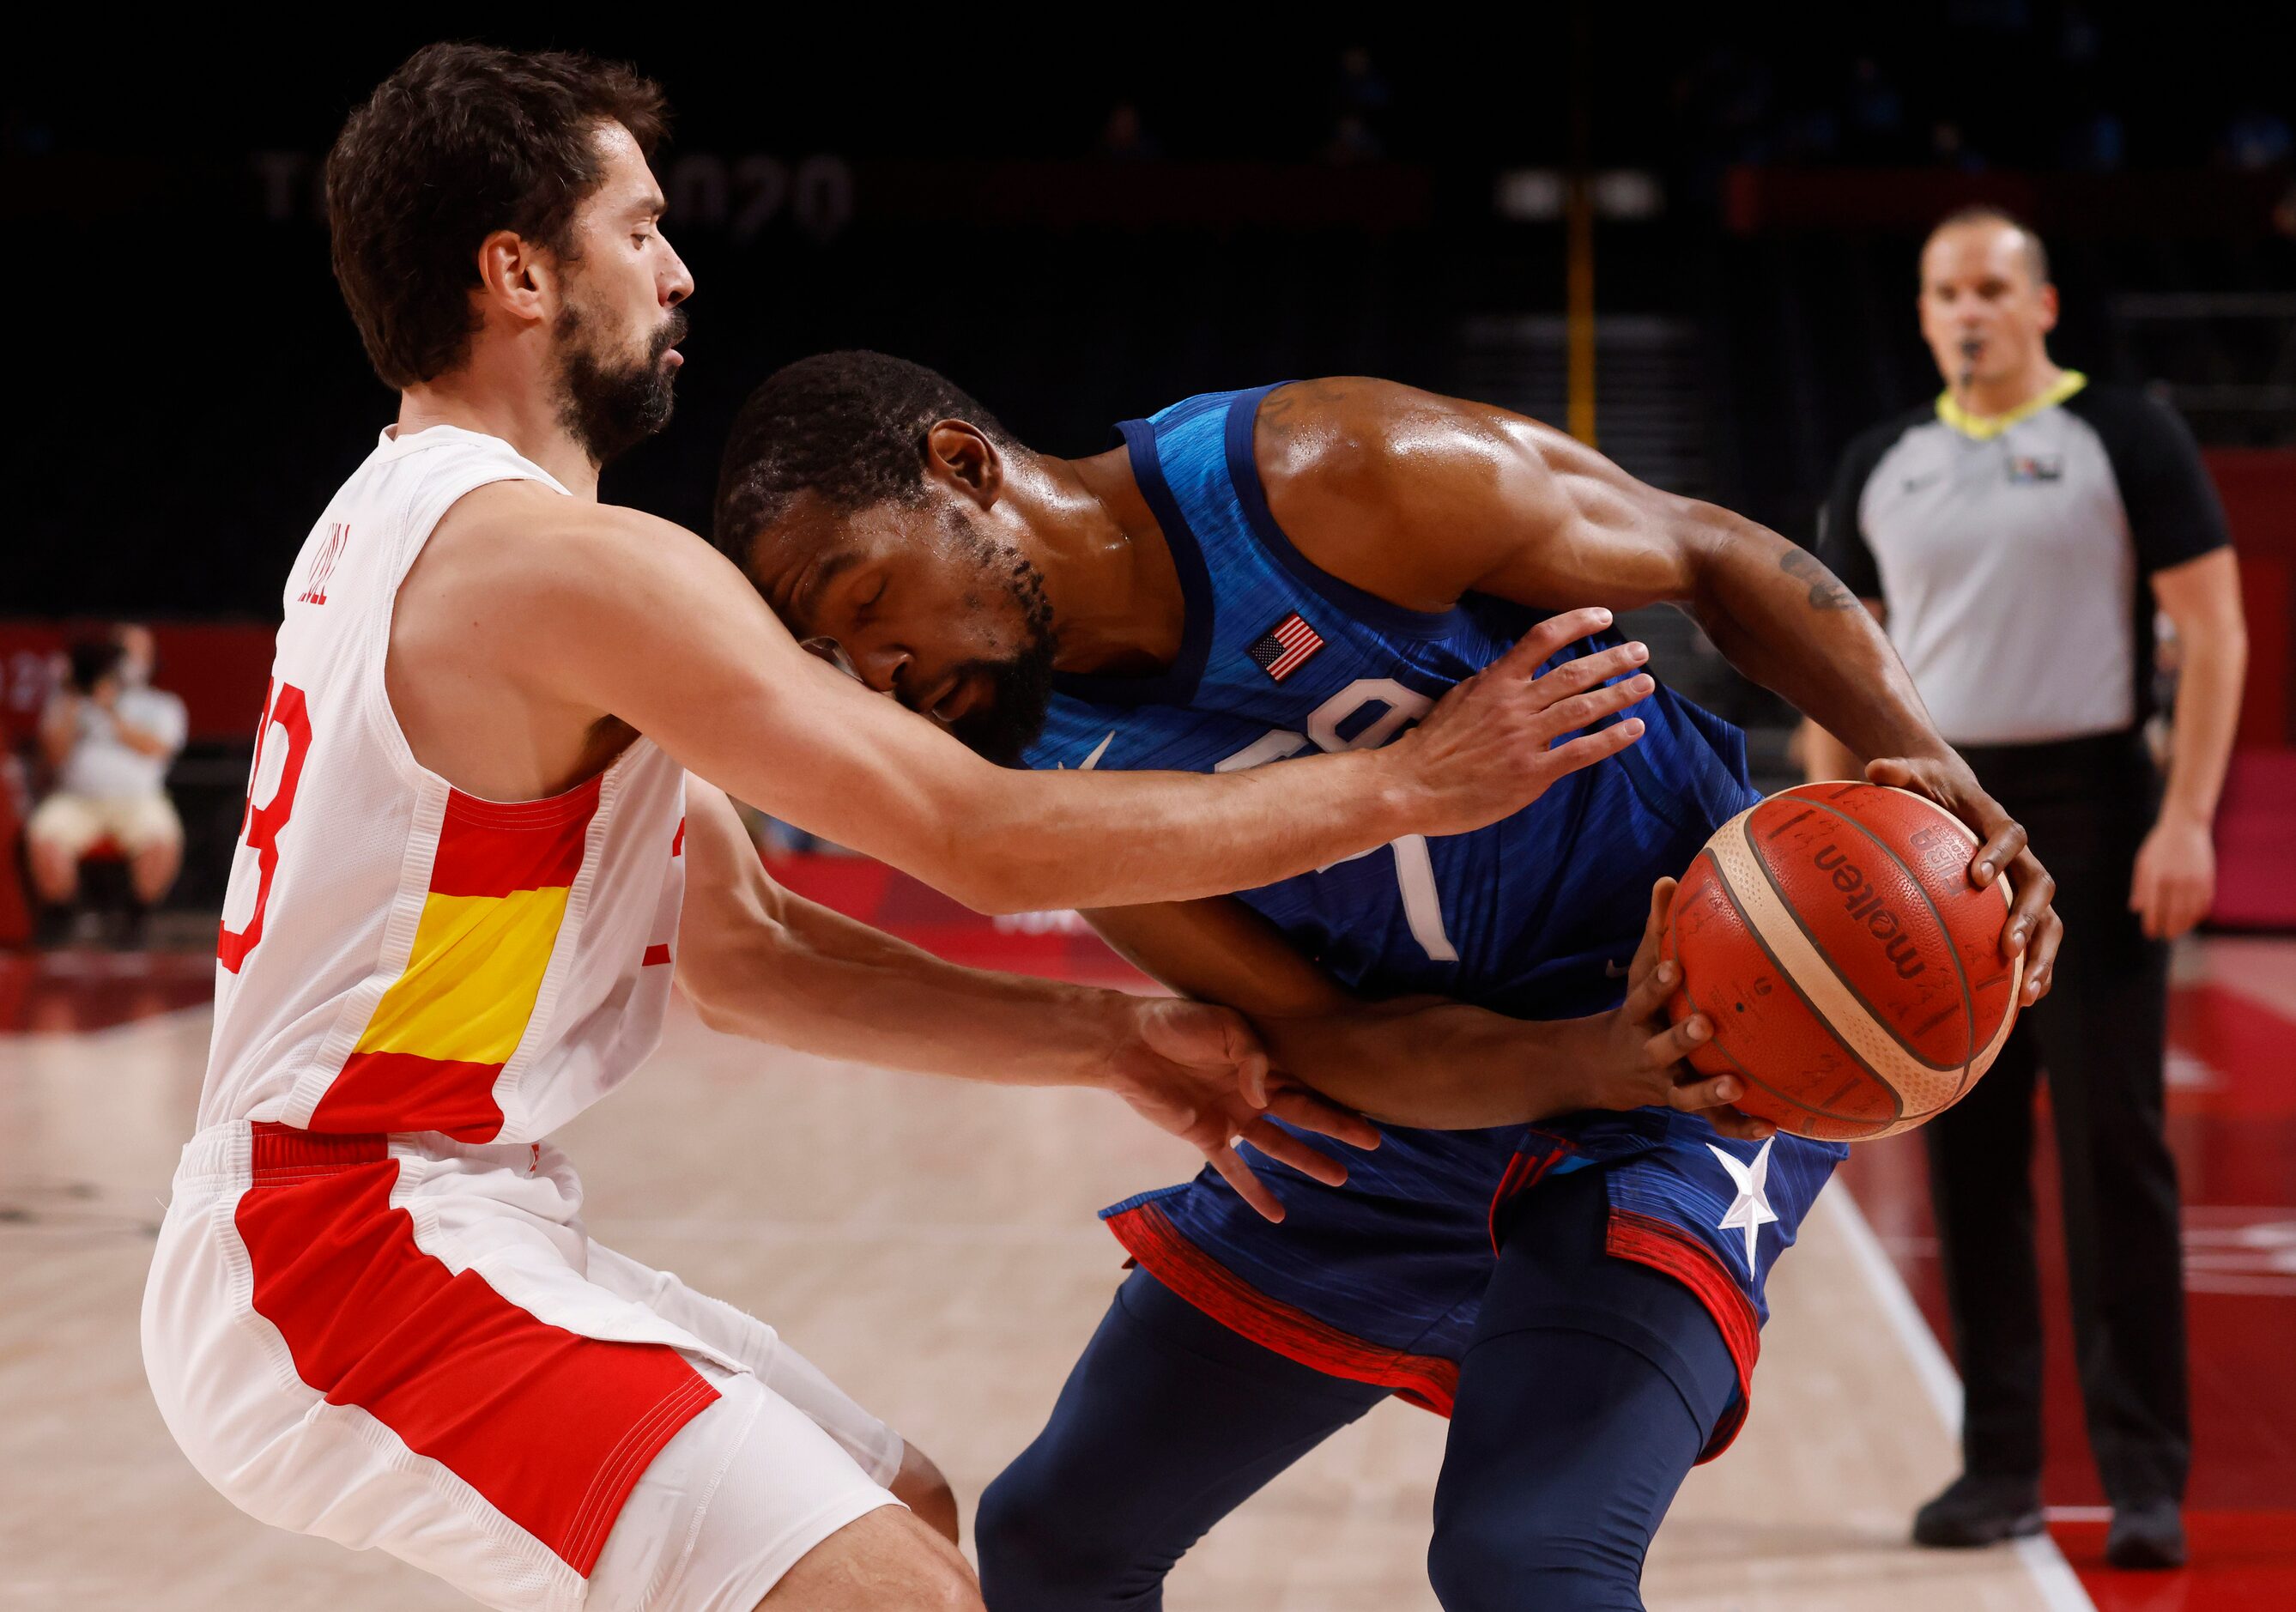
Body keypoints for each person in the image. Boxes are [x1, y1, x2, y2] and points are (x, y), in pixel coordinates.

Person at [139, 45, 1642, 1612]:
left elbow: (745, 948)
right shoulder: (559, 566)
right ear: (517, 272)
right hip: (343, 1241)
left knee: (899, 1506)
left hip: (426, 1211)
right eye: (637, 229)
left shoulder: (425, 524)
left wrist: (1108, 1036)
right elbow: (982, 836)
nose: (677, 271)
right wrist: (1410, 782)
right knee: (886, 1592)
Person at [712, 352, 2064, 1610]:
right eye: (836, 656)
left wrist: (1919, 757)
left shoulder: (1326, 480)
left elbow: (1710, 553)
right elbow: (1315, 1029)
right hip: (1446, 1076)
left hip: (1701, 1027)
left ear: (963, 466)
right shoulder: (1019, 774)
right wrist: (1576, 1060)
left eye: (867, 598)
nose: (876, 672)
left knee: (1525, 1558)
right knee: (1054, 1542)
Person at [1808, 206, 2244, 1571]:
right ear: (1926, 309)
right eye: (1945, 290)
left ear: (2041, 302)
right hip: (1929, 829)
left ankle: (2141, 1478)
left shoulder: (2124, 436)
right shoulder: (1880, 462)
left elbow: (2214, 630)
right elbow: (1837, 665)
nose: (1966, 309)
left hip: (2095, 817)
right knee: (1968, 1158)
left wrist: (2184, 818)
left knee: (2116, 1156)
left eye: (1990, 286)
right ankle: (1994, 1464)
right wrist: (1833, 842)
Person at [26, 625, 188, 939]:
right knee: (44, 838)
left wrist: (110, 709)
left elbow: (156, 749)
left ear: (151, 660)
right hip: (77, 800)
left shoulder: (161, 704)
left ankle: (134, 920)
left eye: (137, 653)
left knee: (162, 841)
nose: (127, 661)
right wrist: (76, 697)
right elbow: (54, 755)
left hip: (138, 800)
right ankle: (65, 918)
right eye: (121, 652)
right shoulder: (69, 700)